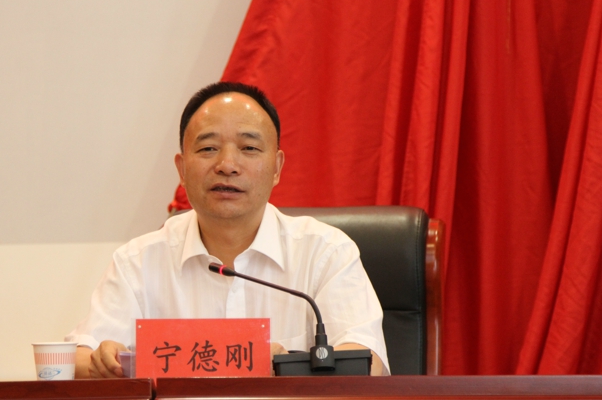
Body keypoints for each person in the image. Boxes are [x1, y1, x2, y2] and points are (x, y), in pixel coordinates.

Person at [66, 82, 389, 377]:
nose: (227, 165)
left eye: (249, 148)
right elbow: (74, 362)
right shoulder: (138, 261)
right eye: (208, 148)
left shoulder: (325, 252)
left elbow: (369, 364)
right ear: (182, 169)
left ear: (276, 168)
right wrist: (102, 362)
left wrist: (285, 365)